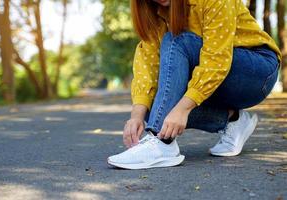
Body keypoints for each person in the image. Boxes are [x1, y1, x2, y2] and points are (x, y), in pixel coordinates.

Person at [107, 0, 282, 170]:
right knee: (152, 106)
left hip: (258, 72)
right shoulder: (153, 9)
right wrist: (136, 115)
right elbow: (148, 62)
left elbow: (216, 60)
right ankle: (233, 120)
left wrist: (183, 108)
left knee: (176, 40)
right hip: (216, 75)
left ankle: (161, 143)